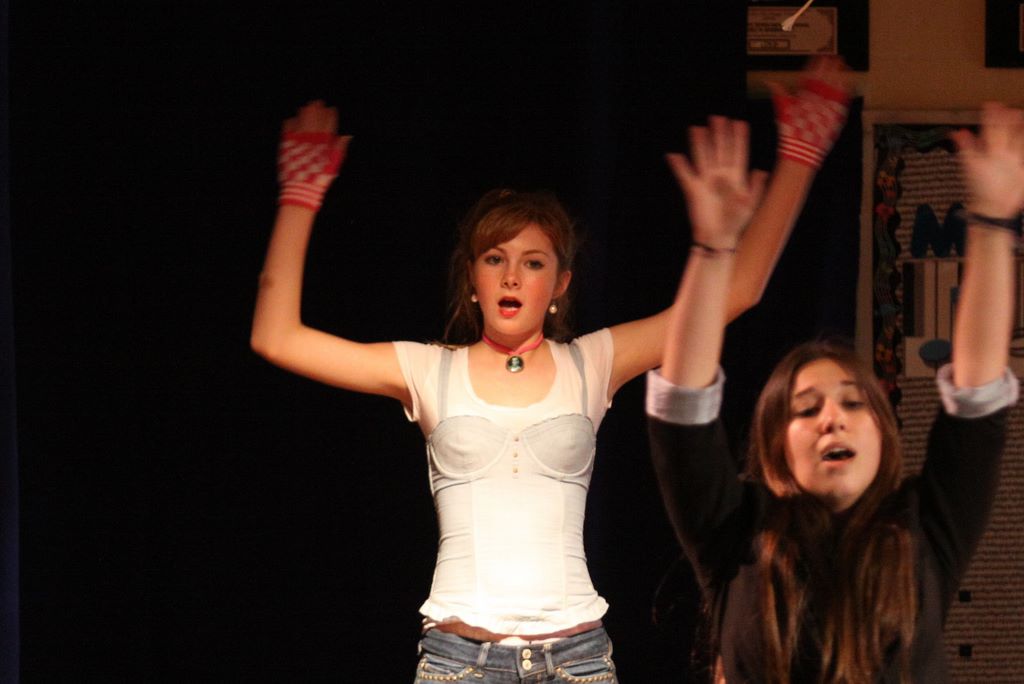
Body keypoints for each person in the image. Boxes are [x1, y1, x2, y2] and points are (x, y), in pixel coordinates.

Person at [251, 60, 849, 682]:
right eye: (495, 258)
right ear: (473, 280)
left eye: (533, 262)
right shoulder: (428, 369)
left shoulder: (591, 362)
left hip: (575, 659)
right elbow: (276, 337)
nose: (512, 276)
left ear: (560, 284)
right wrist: (300, 196)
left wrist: (801, 154)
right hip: (459, 661)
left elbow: (737, 290)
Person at [646, 102, 1024, 683]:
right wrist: (714, 247)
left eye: (853, 402)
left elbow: (978, 395)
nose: (833, 418)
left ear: (884, 434)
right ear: (775, 446)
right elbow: (681, 406)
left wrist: (994, 223)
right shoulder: (736, 533)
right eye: (806, 408)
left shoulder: (926, 530)